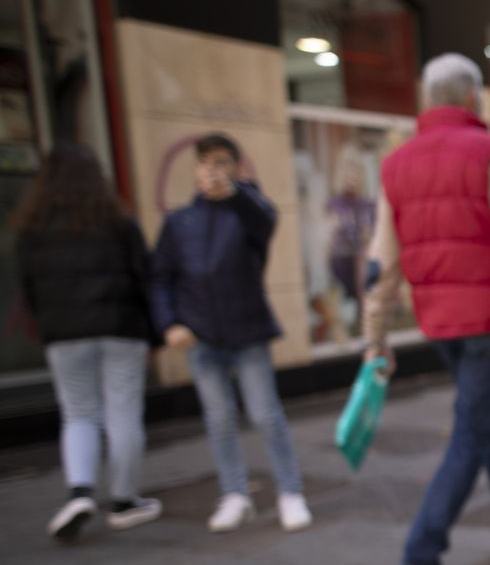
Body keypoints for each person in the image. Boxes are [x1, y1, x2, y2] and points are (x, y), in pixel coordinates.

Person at [364, 53, 490, 565]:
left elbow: (381, 263)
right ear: (472, 99)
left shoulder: (396, 165)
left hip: (438, 323)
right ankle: (421, 558)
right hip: (489, 322)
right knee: (471, 431)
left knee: (485, 416)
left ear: (427, 101)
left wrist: (375, 335)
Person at [150, 133, 311, 534]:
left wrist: (236, 192)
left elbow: (265, 219)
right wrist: (170, 323)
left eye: (222, 163)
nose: (213, 170)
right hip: (201, 337)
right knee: (219, 418)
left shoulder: (248, 212)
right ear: (195, 168)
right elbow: (161, 278)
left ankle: (291, 492)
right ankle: (234, 494)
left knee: (265, 414)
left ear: (237, 169)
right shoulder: (180, 222)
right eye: (205, 163)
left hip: (248, 331)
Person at [13, 144, 161, 540]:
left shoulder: (32, 228)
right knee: (122, 412)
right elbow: (144, 276)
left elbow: (28, 288)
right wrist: (156, 330)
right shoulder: (118, 219)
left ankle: (79, 492)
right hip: (120, 328)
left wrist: (45, 327)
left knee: (79, 413)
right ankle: (124, 500)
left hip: (64, 334)